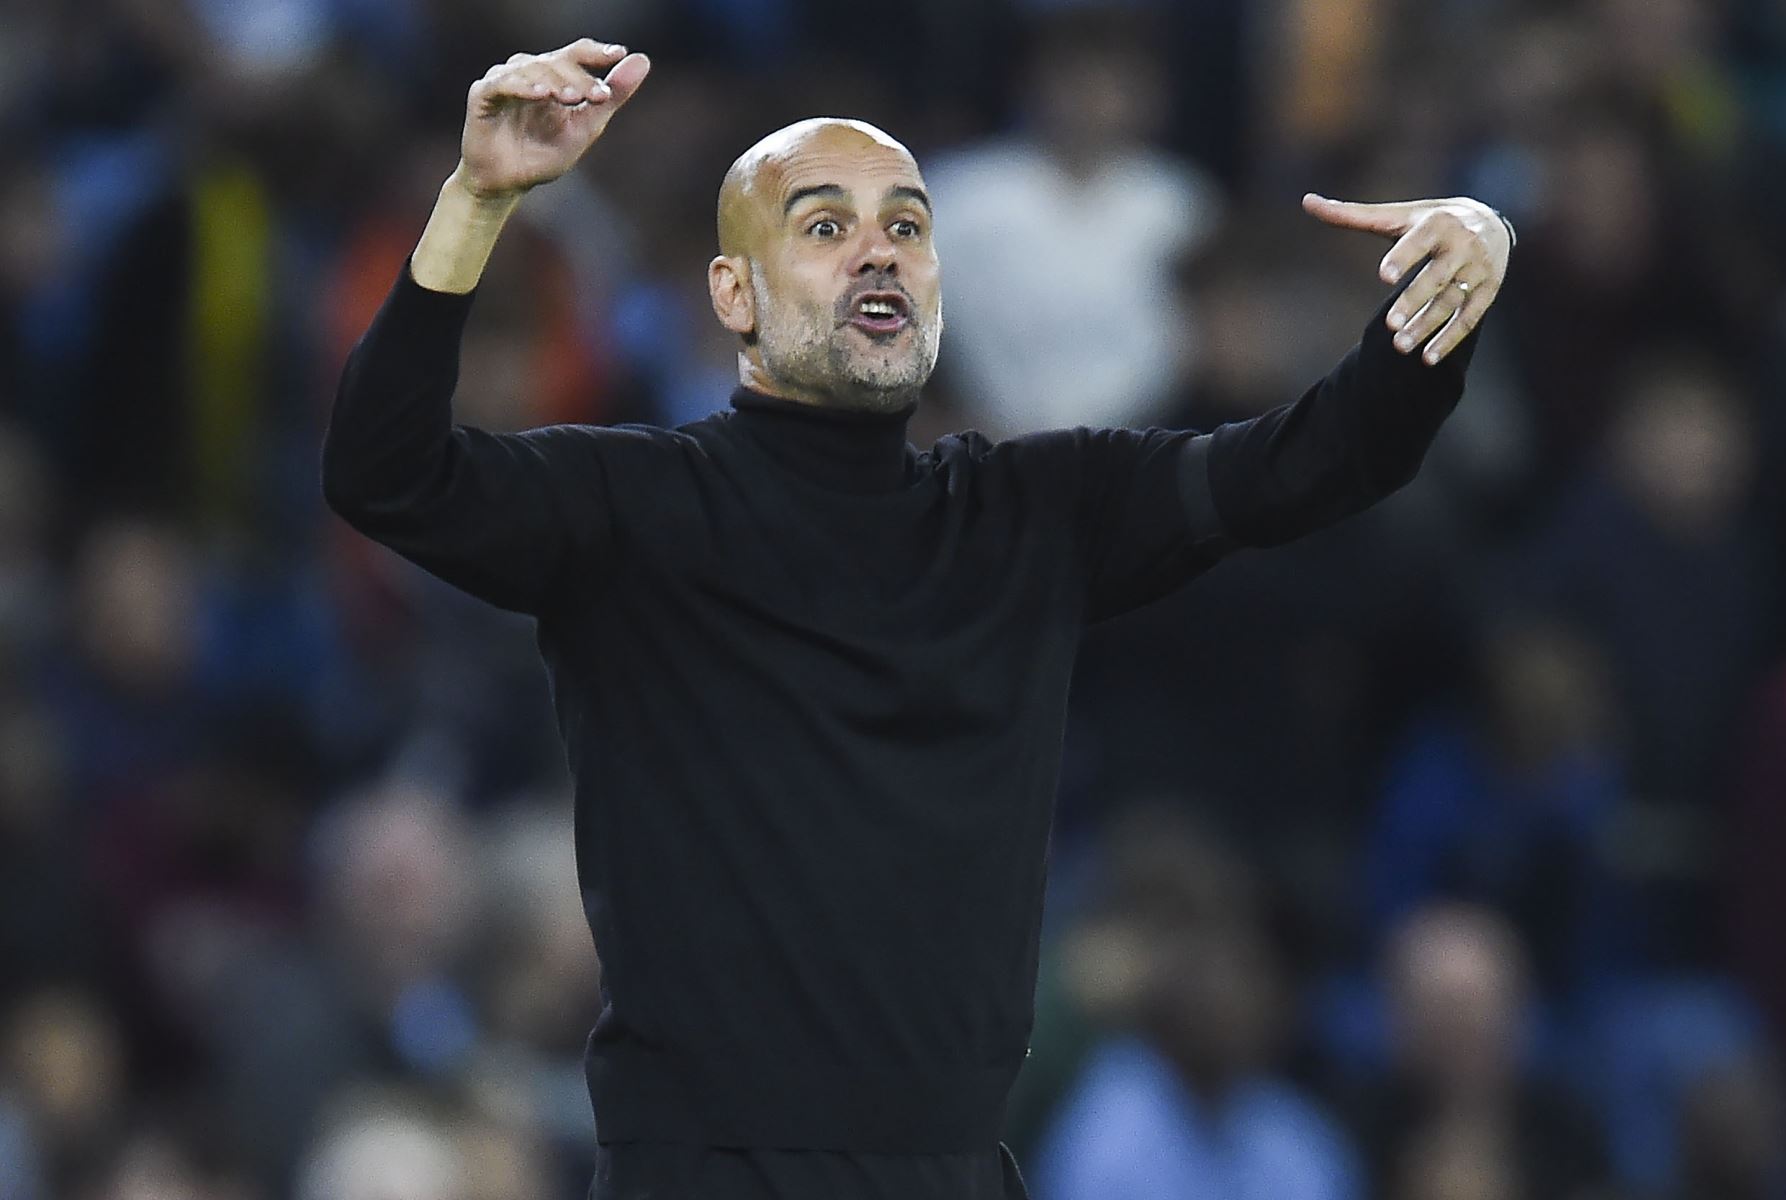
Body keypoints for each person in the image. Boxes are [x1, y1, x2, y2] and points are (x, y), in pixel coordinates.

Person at [320, 38, 1514, 1200]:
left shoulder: (1033, 512)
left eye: (907, 226)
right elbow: (386, 473)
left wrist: (1450, 285)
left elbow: (1311, 462)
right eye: (826, 226)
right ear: (733, 293)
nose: (879, 254)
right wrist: (476, 201)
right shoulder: (633, 505)